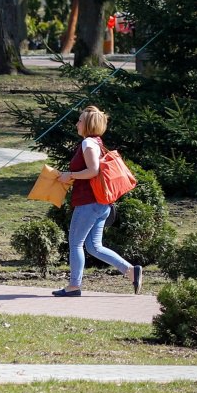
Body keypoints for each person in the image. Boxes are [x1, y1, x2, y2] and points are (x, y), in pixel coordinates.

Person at [52, 105, 142, 298]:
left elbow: (93, 171)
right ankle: (130, 270)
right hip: (101, 204)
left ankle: (74, 286)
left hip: (89, 203)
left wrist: (70, 175)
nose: (77, 123)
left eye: (80, 120)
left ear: (88, 124)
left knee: (75, 243)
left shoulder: (88, 144)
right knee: (94, 247)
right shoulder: (97, 143)